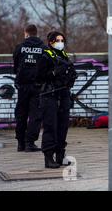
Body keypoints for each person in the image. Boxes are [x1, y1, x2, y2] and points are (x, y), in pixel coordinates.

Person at [36, 31, 77, 168]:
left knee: (62, 127)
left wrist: (71, 75)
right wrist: (54, 72)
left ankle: (60, 155)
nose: (60, 42)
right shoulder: (45, 56)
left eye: (62, 40)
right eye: (57, 40)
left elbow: (69, 72)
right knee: (50, 127)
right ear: (50, 42)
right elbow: (39, 77)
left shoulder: (64, 55)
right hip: (49, 95)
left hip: (63, 94)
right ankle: (48, 158)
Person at [12, 24, 46, 152]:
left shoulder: (19, 48)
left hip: (22, 86)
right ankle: (30, 143)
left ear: (26, 33)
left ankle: (20, 143)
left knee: (21, 114)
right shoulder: (43, 48)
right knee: (35, 115)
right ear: (36, 33)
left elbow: (15, 67)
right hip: (38, 87)